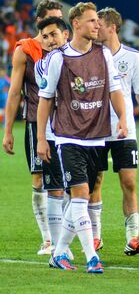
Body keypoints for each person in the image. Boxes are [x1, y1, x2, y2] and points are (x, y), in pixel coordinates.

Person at [36, 2, 128, 273]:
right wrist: (42, 138)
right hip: (68, 136)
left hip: (97, 136)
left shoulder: (104, 55)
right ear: (76, 24)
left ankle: (60, 252)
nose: (96, 25)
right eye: (91, 21)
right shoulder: (58, 58)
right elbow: (45, 100)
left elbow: (114, 89)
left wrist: (122, 118)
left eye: (97, 22)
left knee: (81, 198)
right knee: (81, 194)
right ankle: (91, 257)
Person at [89, 7, 139, 255]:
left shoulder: (133, 57)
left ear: (112, 27)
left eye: (99, 23)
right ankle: (95, 237)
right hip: (95, 130)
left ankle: (133, 238)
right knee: (94, 182)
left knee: (129, 182)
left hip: (125, 131)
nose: (95, 28)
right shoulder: (90, 55)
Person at [2, 0, 63, 255]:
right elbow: (15, 92)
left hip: (66, 122)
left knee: (68, 181)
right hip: (35, 122)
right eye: (52, 19)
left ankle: (67, 237)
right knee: (39, 179)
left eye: (61, 20)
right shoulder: (24, 50)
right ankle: (47, 239)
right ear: (39, 21)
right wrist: (7, 131)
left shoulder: (67, 48)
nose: (57, 25)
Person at [34, 16, 73, 259]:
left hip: (79, 136)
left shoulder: (82, 58)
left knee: (79, 192)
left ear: (65, 34)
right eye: (45, 36)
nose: (49, 40)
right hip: (53, 135)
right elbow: (50, 99)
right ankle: (60, 248)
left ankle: (67, 244)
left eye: (53, 34)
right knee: (56, 190)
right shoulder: (42, 65)